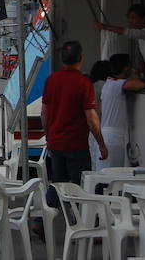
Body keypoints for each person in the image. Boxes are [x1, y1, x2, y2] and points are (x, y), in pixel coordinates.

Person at [41, 41, 108, 207]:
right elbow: (91, 118)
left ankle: (42, 220)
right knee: (80, 186)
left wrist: (49, 136)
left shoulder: (52, 80)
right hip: (77, 144)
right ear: (81, 58)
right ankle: (80, 221)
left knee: (57, 183)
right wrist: (101, 143)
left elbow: (44, 113)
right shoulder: (84, 83)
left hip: (56, 142)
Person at [92, 53, 145, 170]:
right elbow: (139, 85)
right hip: (112, 139)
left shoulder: (109, 83)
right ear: (125, 68)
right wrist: (138, 75)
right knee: (109, 177)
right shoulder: (116, 84)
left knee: (106, 176)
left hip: (109, 137)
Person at [95, 4, 145, 83]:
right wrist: (142, 69)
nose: (130, 21)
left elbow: (128, 32)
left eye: (133, 18)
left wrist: (105, 27)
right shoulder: (142, 34)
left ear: (143, 18)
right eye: (129, 18)